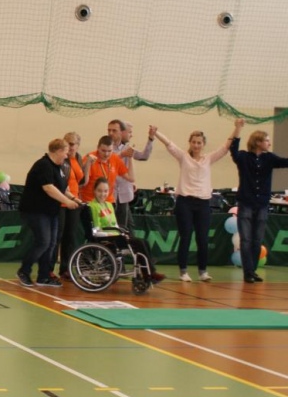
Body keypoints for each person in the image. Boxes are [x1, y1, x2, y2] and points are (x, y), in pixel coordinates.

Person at [155, 121, 242, 282]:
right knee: (186, 237)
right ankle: (183, 271)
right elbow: (169, 144)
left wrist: (237, 128)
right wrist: (156, 133)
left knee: (202, 239)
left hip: (203, 203)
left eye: (199, 143)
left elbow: (226, 147)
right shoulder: (183, 157)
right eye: (194, 142)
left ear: (203, 144)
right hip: (185, 203)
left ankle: (203, 272)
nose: (196, 145)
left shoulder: (208, 159)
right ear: (190, 143)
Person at [17, 139, 81, 287]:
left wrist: (74, 199)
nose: (66, 156)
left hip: (51, 211)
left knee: (52, 243)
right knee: (43, 242)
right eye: (65, 152)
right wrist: (67, 201)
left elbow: (63, 187)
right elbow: (49, 188)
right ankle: (24, 271)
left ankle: (44, 276)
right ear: (58, 151)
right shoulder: (43, 165)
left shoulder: (58, 168)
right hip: (35, 210)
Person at [230, 124, 288, 284]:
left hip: (262, 203)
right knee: (246, 239)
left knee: (257, 239)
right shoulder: (243, 157)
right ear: (257, 142)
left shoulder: (269, 158)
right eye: (266, 140)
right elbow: (233, 149)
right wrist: (238, 129)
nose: (269, 143)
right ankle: (248, 272)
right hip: (246, 203)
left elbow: (285, 162)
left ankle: (252, 270)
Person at [86, 177, 163, 279]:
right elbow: (97, 230)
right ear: (94, 191)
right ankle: (149, 273)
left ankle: (148, 271)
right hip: (105, 238)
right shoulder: (93, 206)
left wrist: (120, 232)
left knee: (144, 242)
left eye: (105, 191)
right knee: (139, 243)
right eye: (99, 191)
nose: (102, 194)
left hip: (116, 236)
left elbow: (114, 225)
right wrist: (112, 234)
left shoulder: (109, 205)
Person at [109, 119, 153, 230]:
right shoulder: (107, 147)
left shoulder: (127, 148)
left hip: (124, 193)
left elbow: (144, 156)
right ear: (123, 132)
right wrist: (122, 154)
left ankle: (131, 241)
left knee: (128, 227)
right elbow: (106, 160)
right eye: (130, 132)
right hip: (112, 193)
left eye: (113, 130)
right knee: (119, 227)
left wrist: (151, 139)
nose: (131, 135)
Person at [56, 132, 87, 279]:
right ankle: (49, 268)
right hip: (62, 201)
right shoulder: (62, 160)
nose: (69, 146)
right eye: (67, 143)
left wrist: (88, 165)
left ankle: (66, 268)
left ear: (78, 145)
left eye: (72, 144)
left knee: (70, 236)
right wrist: (70, 197)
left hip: (74, 202)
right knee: (58, 235)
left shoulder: (79, 158)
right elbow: (60, 183)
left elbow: (82, 181)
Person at [78, 135, 133, 203]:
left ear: (113, 149)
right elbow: (83, 183)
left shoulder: (115, 158)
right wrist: (87, 164)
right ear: (98, 148)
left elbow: (131, 178)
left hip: (108, 201)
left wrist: (130, 157)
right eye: (103, 151)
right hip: (90, 201)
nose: (106, 154)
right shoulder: (90, 158)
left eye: (109, 151)